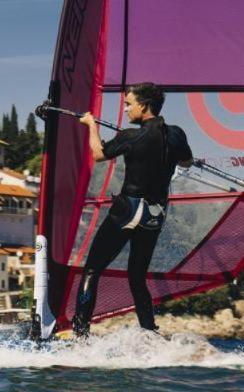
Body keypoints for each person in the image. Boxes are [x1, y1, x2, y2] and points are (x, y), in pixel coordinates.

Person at [73, 82, 193, 337]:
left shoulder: (130, 136)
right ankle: (150, 335)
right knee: (137, 277)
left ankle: (79, 335)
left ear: (144, 105)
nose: (125, 109)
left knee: (92, 270)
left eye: (129, 104)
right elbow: (186, 161)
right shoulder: (177, 134)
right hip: (155, 214)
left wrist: (91, 126)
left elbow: (98, 154)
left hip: (129, 209)